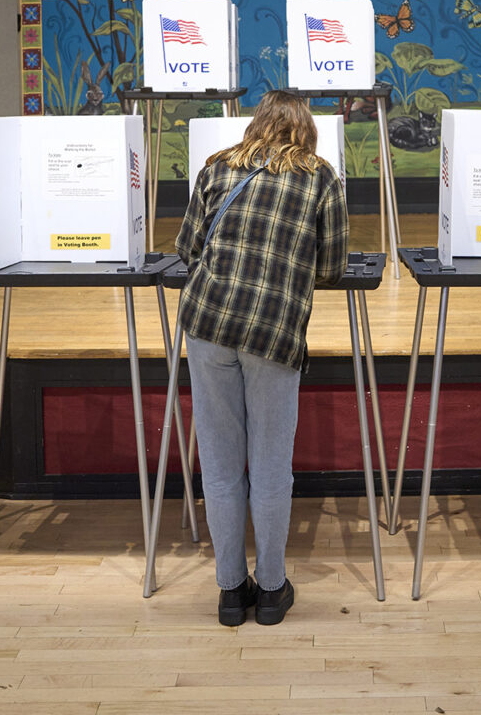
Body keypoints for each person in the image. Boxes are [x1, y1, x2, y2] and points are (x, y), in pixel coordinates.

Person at [175, 89, 347, 626]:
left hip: (207, 323)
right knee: (271, 469)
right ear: (306, 127)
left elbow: (188, 248)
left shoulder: (216, 169)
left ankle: (230, 594)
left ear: (257, 123)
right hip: (272, 332)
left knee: (222, 468)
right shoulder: (320, 176)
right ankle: (271, 592)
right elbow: (334, 264)